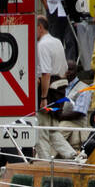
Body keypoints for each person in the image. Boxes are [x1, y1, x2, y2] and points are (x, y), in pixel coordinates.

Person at [34, 15, 77, 161]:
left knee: (41, 131)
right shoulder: (58, 42)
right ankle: (71, 154)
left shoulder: (42, 45)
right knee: (52, 129)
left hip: (49, 91)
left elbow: (45, 73)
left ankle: (45, 161)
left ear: (40, 27)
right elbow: (65, 68)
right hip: (60, 89)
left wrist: (43, 97)